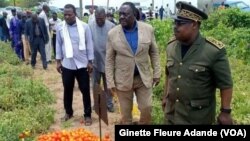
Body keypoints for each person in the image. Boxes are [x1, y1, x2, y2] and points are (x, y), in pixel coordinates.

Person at [162, 2, 233, 125]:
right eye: (175, 22)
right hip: (172, 114)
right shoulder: (171, 46)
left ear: (194, 24)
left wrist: (225, 112)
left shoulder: (212, 51)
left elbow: (226, 84)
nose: (175, 27)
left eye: (180, 23)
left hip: (197, 118)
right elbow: (169, 74)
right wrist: (165, 96)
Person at [105, 2, 161, 125]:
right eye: (120, 14)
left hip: (143, 78)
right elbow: (109, 60)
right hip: (123, 80)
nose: (121, 17)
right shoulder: (113, 33)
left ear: (134, 14)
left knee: (147, 108)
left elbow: (154, 52)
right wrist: (110, 81)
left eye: (125, 14)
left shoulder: (147, 29)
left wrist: (157, 72)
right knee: (126, 115)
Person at [56, 4, 94, 126]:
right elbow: (58, 44)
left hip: (82, 64)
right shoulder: (60, 27)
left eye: (70, 14)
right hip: (67, 64)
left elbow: (89, 44)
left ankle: (87, 115)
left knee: (85, 90)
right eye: (65, 14)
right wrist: (58, 61)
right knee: (67, 89)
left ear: (75, 14)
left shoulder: (85, 27)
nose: (67, 17)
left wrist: (90, 61)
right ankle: (68, 112)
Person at [89, 7, 115, 113]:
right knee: (95, 84)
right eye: (97, 18)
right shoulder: (90, 25)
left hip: (108, 61)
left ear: (105, 16)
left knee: (108, 84)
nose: (99, 20)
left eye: (101, 18)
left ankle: (109, 104)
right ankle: (97, 103)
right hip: (94, 61)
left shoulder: (112, 26)